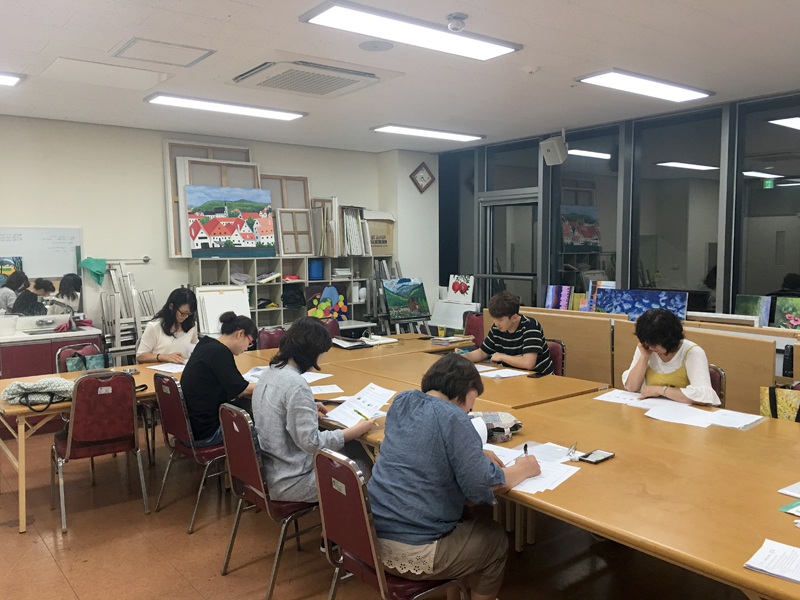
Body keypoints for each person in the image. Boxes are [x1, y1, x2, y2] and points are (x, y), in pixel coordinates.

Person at [367, 354, 541, 600]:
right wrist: (525, 468)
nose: (472, 408)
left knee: (464, 514)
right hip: (410, 548)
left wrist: (472, 452)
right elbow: (483, 484)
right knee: (494, 541)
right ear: (467, 391)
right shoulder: (454, 416)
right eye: (473, 399)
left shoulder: (403, 401)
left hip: (369, 534)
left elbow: (424, 444)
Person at [252, 316, 376, 502]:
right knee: (364, 467)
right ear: (312, 353)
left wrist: (307, 408)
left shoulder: (270, 371)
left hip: (270, 468)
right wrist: (353, 432)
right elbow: (312, 443)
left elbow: (280, 410)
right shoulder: (296, 385)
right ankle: (347, 521)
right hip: (291, 479)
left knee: (344, 454)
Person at [181, 312, 257, 447]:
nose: (246, 348)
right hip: (205, 433)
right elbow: (241, 389)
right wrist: (268, 384)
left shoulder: (206, 343)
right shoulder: (220, 353)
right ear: (240, 334)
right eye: (249, 343)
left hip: (186, 430)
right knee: (260, 428)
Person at [622, 308, 720, 406]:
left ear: (670, 339)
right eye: (647, 343)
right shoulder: (646, 348)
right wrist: (644, 357)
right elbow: (631, 387)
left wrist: (661, 390)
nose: (651, 347)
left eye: (655, 344)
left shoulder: (693, 352)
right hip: (652, 408)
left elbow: (703, 398)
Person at [464, 290, 554, 374]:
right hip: (512, 375)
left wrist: (502, 357)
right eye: (494, 318)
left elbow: (528, 363)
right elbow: (482, 352)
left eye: (500, 320)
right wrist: (465, 356)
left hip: (539, 377)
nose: (496, 323)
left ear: (514, 317)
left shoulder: (531, 326)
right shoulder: (497, 328)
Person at [136, 288, 199, 364]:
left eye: (189, 313)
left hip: (183, 369)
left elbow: (195, 348)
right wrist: (164, 357)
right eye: (183, 313)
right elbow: (140, 356)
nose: (186, 317)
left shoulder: (192, 325)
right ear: (171, 306)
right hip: (158, 369)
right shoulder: (154, 326)